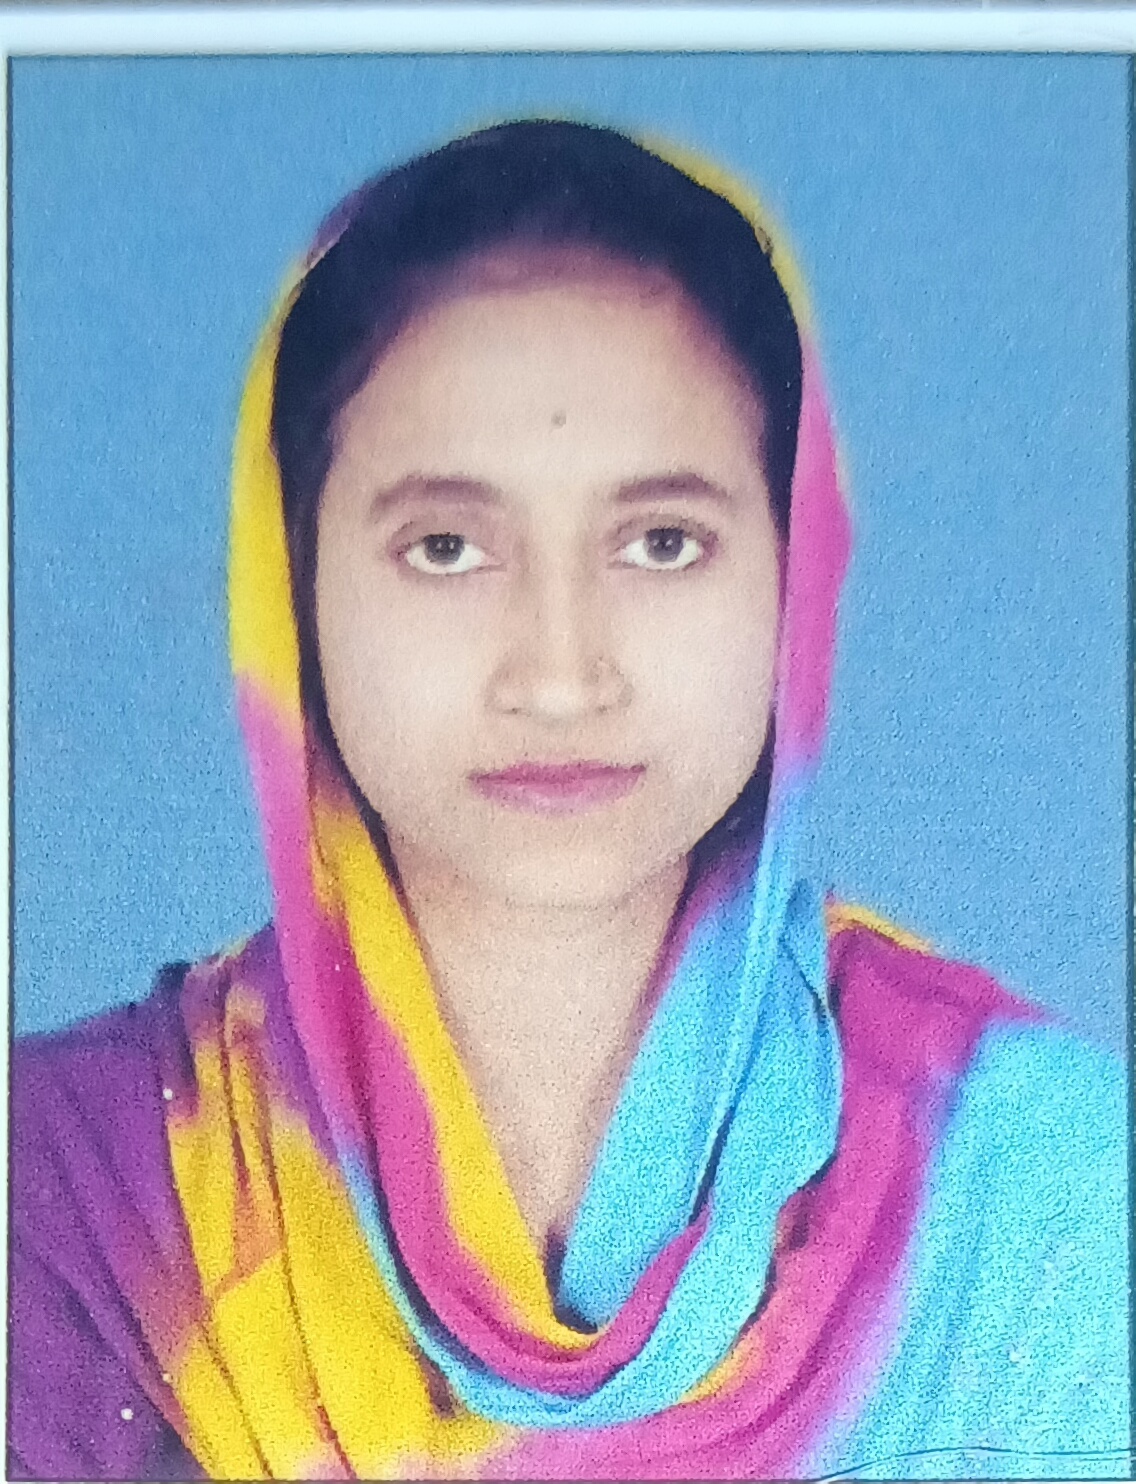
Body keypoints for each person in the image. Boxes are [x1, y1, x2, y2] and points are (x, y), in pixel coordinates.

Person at [9, 120, 1128, 1482]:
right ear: (291, 587)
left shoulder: (1044, 1193)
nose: (558, 673)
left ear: (797, 574)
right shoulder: (66, 1201)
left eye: (662, 542)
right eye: (445, 547)